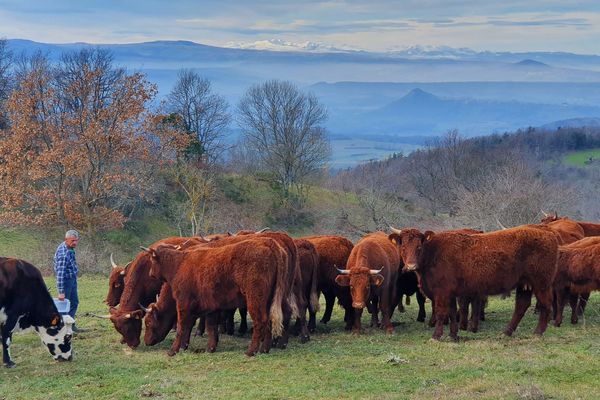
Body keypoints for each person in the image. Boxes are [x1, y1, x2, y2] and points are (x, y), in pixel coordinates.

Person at [54, 229, 82, 331]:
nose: (74, 243)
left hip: (72, 279)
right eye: (72, 241)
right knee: (64, 305)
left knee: (74, 302)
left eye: (76, 240)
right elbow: (60, 274)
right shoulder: (63, 254)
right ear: (66, 239)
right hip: (66, 281)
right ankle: (59, 328)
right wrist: (61, 292)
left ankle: (71, 325)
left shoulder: (69, 247)